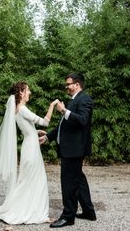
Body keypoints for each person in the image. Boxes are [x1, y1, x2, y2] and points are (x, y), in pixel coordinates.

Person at [0, 81, 59, 226]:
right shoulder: (22, 109)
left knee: (29, 180)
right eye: (28, 90)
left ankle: (30, 210)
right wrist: (52, 105)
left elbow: (26, 129)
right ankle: (33, 213)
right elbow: (45, 122)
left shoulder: (17, 109)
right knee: (33, 181)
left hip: (29, 146)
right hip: (31, 149)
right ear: (21, 93)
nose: (30, 93)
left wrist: (34, 132)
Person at [39, 73, 96, 228]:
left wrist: (64, 111)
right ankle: (89, 212)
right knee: (79, 180)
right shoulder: (73, 101)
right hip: (71, 149)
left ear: (77, 84)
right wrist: (48, 137)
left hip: (75, 149)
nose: (66, 87)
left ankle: (68, 216)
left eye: (68, 84)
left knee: (69, 182)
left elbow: (83, 120)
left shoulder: (84, 99)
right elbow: (63, 126)